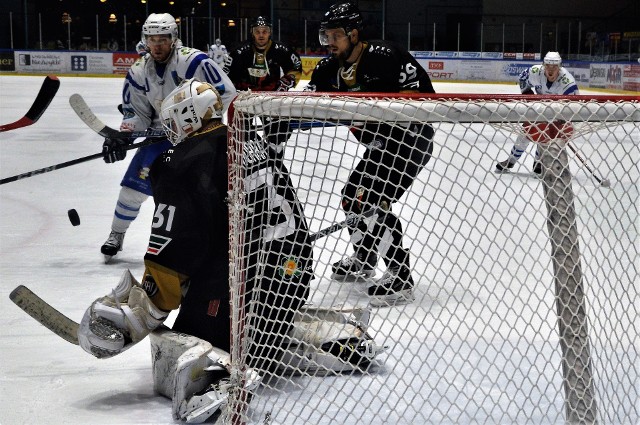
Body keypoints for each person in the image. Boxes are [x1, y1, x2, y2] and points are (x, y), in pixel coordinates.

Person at [78, 79, 382, 422]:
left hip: (242, 285)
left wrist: (138, 311)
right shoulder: (251, 141)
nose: (171, 130)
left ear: (186, 117)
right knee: (259, 343)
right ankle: (333, 337)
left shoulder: (183, 161)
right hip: (292, 277)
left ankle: (218, 387)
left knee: (180, 342)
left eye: (173, 121)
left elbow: (174, 253)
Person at [304, 2, 435, 307]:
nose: (330, 42)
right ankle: (364, 259)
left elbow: (422, 96)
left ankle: (400, 278)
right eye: (327, 36)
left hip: (410, 140)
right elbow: (303, 105)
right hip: (379, 146)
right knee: (352, 195)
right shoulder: (327, 71)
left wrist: (380, 111)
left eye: (336, 35)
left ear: (353, 33)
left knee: (374, 201)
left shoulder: (386, 56)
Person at [99, 12, 236, 262]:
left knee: (197, 194)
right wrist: (124, 136)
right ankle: (116, 234)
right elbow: (136, 112)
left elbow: (226, 93)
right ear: (145, 40)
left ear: (173, 38)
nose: (157, 45)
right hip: (160, 138)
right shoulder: (139, 70)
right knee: (132, 190)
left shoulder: (194, 62)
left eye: (163, 39)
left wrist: (199, 121)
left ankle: (205, 240)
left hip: (197, 139)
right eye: (152, 39)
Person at [495, 51, 580, 174]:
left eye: (554, 66)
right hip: (540, 108)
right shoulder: (536, 72)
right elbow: (523, 78)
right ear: (543, 65)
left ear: (559, 66)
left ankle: (538, 162)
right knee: (526, 132)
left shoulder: (568, 83)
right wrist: (527, 94)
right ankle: (511, 160)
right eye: (548, 65)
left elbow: (573, 107)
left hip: (558, 113)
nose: (551, 69)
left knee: (546, 136)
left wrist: (561, 118)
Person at [224, 16, 302, 92]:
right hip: (244, 96)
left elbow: (296, 67)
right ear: (252, 32)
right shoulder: (239, 52)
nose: (261, 35)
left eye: (265, 31)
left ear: (270, 32)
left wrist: (286, 83)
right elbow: (226, 73)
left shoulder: (282, 50)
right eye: (257, 31)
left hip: (273, 97)